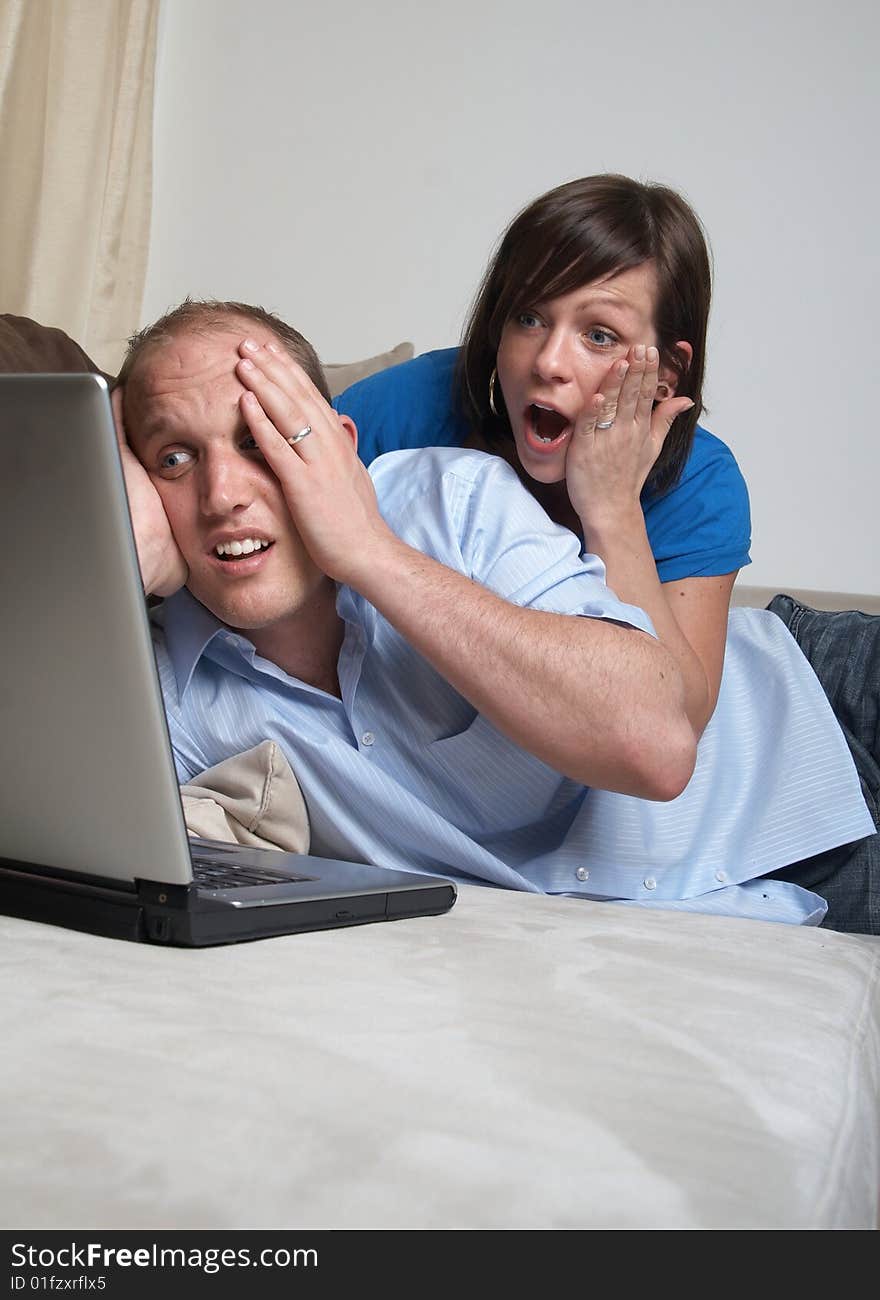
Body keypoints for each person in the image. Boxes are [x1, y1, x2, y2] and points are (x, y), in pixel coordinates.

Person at [112, 299, 873, 932]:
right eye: (175, 459)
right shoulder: (157, 691)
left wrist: (367, 551)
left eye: (261, 439)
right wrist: (115, 550)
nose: (222, 495)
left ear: (339, 449)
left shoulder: (452, 498)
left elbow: (656, 744)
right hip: (750, 888)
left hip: (817, 712)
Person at [332, 175, 880, 934]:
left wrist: (612, 508)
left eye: (599, 335)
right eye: (528, 317)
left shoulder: (702, 477)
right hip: (739, 834)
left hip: (815, 694)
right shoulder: (411, 412)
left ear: (665, 370)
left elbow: (678, 721)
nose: (548, 363)